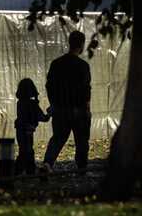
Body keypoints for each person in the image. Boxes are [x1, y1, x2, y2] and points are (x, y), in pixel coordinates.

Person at [40, 30, 92, 177]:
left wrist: (54, 103)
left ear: (69, 43)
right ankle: (81, 169)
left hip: (60, 110)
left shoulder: (56, 64)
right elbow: (86, 89)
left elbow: (49, 86)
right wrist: (87, 109)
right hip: (79, 110)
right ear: (81, 45)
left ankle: (47, 164)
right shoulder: (83, 66)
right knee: (81, 140)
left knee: (57, 138)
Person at [14, 78, 51, 175]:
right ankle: (24, 170)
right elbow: (43, 118)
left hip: (20, 130)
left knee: (24, 151)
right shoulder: (32, 104)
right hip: (27, 131)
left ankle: (21, 170)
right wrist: (50, 112)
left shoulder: (20, 103)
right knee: (27, 151)